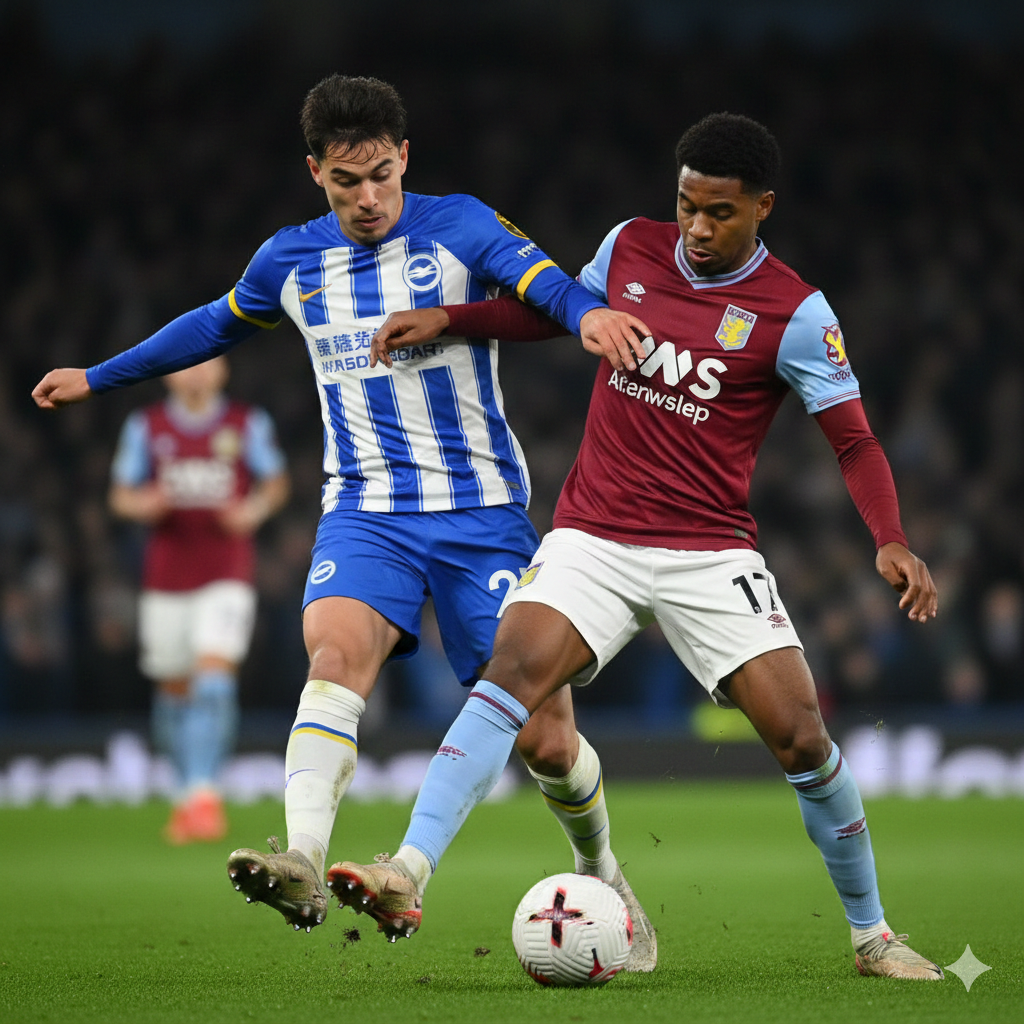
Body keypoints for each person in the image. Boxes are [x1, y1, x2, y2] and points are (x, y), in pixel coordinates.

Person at [32, 74, 658, 969]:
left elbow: (545, 286)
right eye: (343, 182)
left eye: (379, 176)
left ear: (405, 158)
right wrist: (100, 376)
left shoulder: (460, 224)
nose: (367, 199)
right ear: (314, 173)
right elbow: (212, 325)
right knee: (333, 656)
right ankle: (303, 858)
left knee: (546, 737)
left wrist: (589, 312)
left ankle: (602, 870)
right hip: (365, 508)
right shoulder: (288, 261)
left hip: (480, 511)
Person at [332, 113, 946, 981]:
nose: (697, 227)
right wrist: (450, 318)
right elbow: (556, 315)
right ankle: (407, 868)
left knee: (804, 739)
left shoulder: (797, 314)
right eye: (688, 205)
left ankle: (872, 936)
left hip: (710, 551)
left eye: (720, 212)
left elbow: (852, 439)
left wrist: (891, 539)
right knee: (508, 674)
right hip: (595, 535)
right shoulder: (629, 247)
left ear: (763, 207)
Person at [109, 355, 289, 843]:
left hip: (226, 574)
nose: (195, 373)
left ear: (223, 371)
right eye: (186, 365)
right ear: (169, 373)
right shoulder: (147, 426)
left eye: (206, 364)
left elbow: (275, 483)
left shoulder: (245, 423)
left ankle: (204, 796)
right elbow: (121, 495)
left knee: (212, 680)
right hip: (166, 580)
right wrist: (143, 503)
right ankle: (187, 792)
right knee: (172, 699)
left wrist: (251, 510)